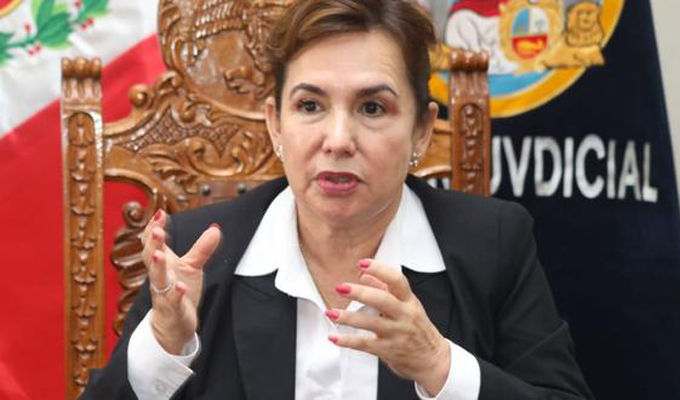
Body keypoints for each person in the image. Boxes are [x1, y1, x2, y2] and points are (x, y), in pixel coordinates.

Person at [82, 0, 593, 399]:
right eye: (310, 105)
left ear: (421, 130)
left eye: (372, 108)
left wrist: (439, 364)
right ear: (274, 124)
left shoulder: (493, 245)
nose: (339, 140)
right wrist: (163, 344)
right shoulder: (196, 253)